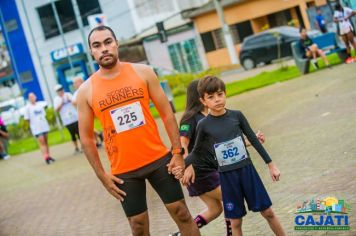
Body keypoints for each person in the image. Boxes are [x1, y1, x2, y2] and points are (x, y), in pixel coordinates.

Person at [76, 25, 199, 236]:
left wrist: (177, 153)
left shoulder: (143, 72)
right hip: (124, 170)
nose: (104, 48)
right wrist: (102, 176)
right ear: (91, 51)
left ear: (116, 44)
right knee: (138, 227)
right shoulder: (86, 91)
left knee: (182, 213)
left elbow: (167, 114)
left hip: (159, 159)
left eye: (108, 42)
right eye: (97, 45)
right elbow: (86, 139)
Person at [176, 76, 285, 236]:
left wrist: (271, 164)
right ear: (203, 101)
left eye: (220, 94)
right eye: (211, 97)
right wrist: (183, 166)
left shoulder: (237, 116)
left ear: (225, 94)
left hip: (247, 172)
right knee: (235, 222)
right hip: (227, 177)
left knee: (268, 212)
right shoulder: (203, 124)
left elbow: (253, 140)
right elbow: (197, 152)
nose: (217, 100)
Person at [72, 76, 103, 148]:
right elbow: (74, 102)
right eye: (74, 83)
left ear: (81, 82)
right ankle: (97, 139)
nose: (75, 84)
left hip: (89, 112)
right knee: (89, 129)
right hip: (81, 113)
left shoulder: (85, 89)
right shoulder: (76, 92)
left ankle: (98, 137)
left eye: (76, 82)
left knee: (89, 128)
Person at [24, 93, 55, 164]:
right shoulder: (28, 108)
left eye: (33, 96)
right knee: (42, 142)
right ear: (29, 99)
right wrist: (33, 126)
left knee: (46, 141)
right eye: (30, 97)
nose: (32, 98)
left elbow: (44, 115)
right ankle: (46, 157)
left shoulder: (40, 105)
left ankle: (49, 155)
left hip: (44, 126)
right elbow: (27, 119)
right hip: (36, 129)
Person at [54, 84, 81, 154]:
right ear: (57, 92)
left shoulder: (68, 94)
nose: (61, 91)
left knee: (79, 133)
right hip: (66, 120)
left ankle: (83, 146)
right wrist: (61, 102)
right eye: (59, 90)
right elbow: (56, 110)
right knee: (72, 134)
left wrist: (69, 99)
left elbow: (75, 103)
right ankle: (76, 148)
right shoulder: (56, 99)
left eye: (61, 89)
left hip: (75, 117)